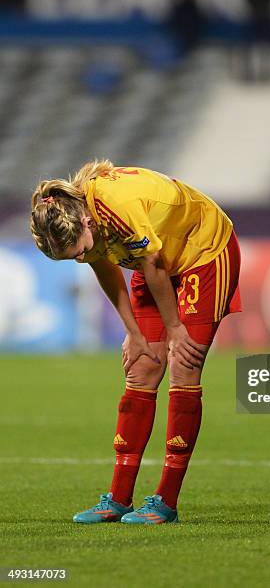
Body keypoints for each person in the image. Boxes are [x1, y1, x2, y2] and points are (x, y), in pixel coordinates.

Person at [31, 161, 241, 524]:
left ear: (84, 223)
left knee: (184, 364)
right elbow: (104, 267)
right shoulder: (81, 217)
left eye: (78, 250)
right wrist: (133, 333)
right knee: (142, 368)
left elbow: (154, 262)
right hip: (154, 262)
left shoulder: (116, 205)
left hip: (204, 252)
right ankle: (118, 497)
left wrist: (175, 327)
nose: (80, 257)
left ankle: (166, 501)